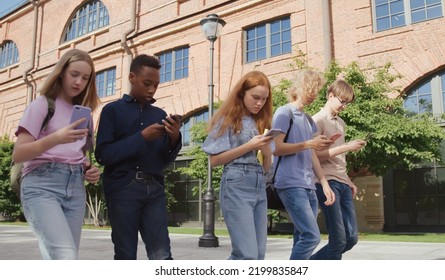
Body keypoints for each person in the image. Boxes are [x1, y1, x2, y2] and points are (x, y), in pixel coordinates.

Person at [12, 49, 101, 260]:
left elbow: (78, 154)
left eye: (85, 78)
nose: (79, 81)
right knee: (65, 255)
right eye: (74, 74)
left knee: (62, 258)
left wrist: (90, 169)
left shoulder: (84, 114)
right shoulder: (42, 105)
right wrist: (56, 137)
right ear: (61, 72)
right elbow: (18, 153)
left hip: (75, 188)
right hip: (41, 186)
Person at [95, 54, 182, 260]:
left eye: (156, 85)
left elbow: (164, 161)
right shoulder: (112, 110)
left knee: (162, 255)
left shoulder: (159, 114)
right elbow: (103, 155)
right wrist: (142, 137)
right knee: (126, 255)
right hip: (122, 188)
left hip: (155, 189)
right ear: (132, 77)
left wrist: (174, 138)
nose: (152, 90)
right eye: (147, 83)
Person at [202, 71, 273, 260]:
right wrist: (249, 146)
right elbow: (214, 160)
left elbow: (266, 168)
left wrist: (266, 150)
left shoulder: (260, 122)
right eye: (255, 97)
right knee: (246, 255)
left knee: (258, 255)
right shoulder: (227, 119)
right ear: (242, 93)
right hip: (236, 184)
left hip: (259, 185)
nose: (259, 103)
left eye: (264, 99)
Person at [271, 69, 335, 260]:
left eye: (316, 91)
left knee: (301, 236)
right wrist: (308, 144)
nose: (314, 95)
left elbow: (312, 154)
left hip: (308, 184)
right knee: (311, 236)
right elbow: (276, 147)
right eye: (311, 90)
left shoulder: (308, 120)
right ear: (298, 88)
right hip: (290, 183)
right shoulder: (284, 112)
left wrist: (324, 182)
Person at [310, 79, 367, 260]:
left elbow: (338, 159)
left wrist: (349, 180)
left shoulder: (341, 123)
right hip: (326, 182)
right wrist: (347, 147)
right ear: (331, 96)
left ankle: (310, 264)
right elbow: (311, 156)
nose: (344, 106)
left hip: (342, 182)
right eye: (342, 101)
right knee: (338, 240)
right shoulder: (317, 120)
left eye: (347, 103)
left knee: (351, 238)